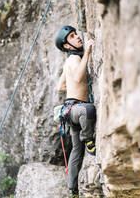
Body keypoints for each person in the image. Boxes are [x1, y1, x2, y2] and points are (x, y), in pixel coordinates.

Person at [55, 25, 96, 198]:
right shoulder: (74, 59)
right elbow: (79, 77)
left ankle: (73, 190)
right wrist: (87, 53)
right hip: (77, 109)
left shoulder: (68, 62)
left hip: (70, 110)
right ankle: (88, 139)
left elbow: (61, 86)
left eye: (76, 34)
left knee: (76, 150)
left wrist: (74, 88)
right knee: (89, 109)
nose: (78, 37)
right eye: (72, 36)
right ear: (67, 45)